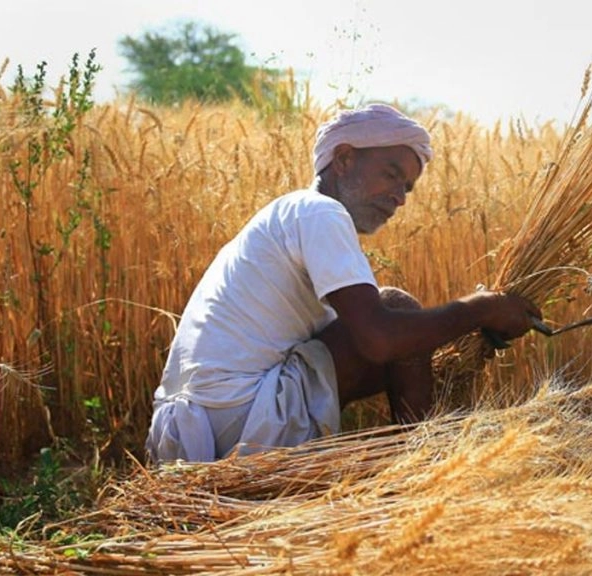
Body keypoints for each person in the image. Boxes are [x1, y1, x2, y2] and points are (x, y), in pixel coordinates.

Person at [146, 103, 540, 463]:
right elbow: (379, 339)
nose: (400, 197)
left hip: (182, 437)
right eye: (392, 174)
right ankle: (422, 469)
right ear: (344, 158)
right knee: (396, 307)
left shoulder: (287, 215)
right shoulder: (320, 212)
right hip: (242, 419)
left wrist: (457, 335)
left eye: (407, 187)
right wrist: (482, 309)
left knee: (397, 331)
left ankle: (420, 463)